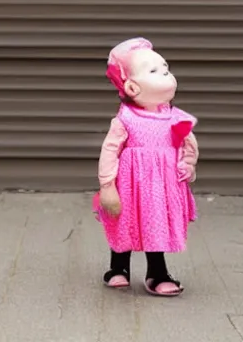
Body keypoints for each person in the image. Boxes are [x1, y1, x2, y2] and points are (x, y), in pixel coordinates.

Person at [92, 37, 199, 297]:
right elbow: (109, 151)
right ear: (131, 86)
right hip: (129, 185)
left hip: (161, 187)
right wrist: (107, 186)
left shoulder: (174, 117)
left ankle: (157, 273)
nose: (165, 73)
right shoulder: (125, 119)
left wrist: (188, 164)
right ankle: (118, 268)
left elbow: (188, 144)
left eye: (165, 68)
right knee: (124, 222)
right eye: (153, 71)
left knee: (156, 225)